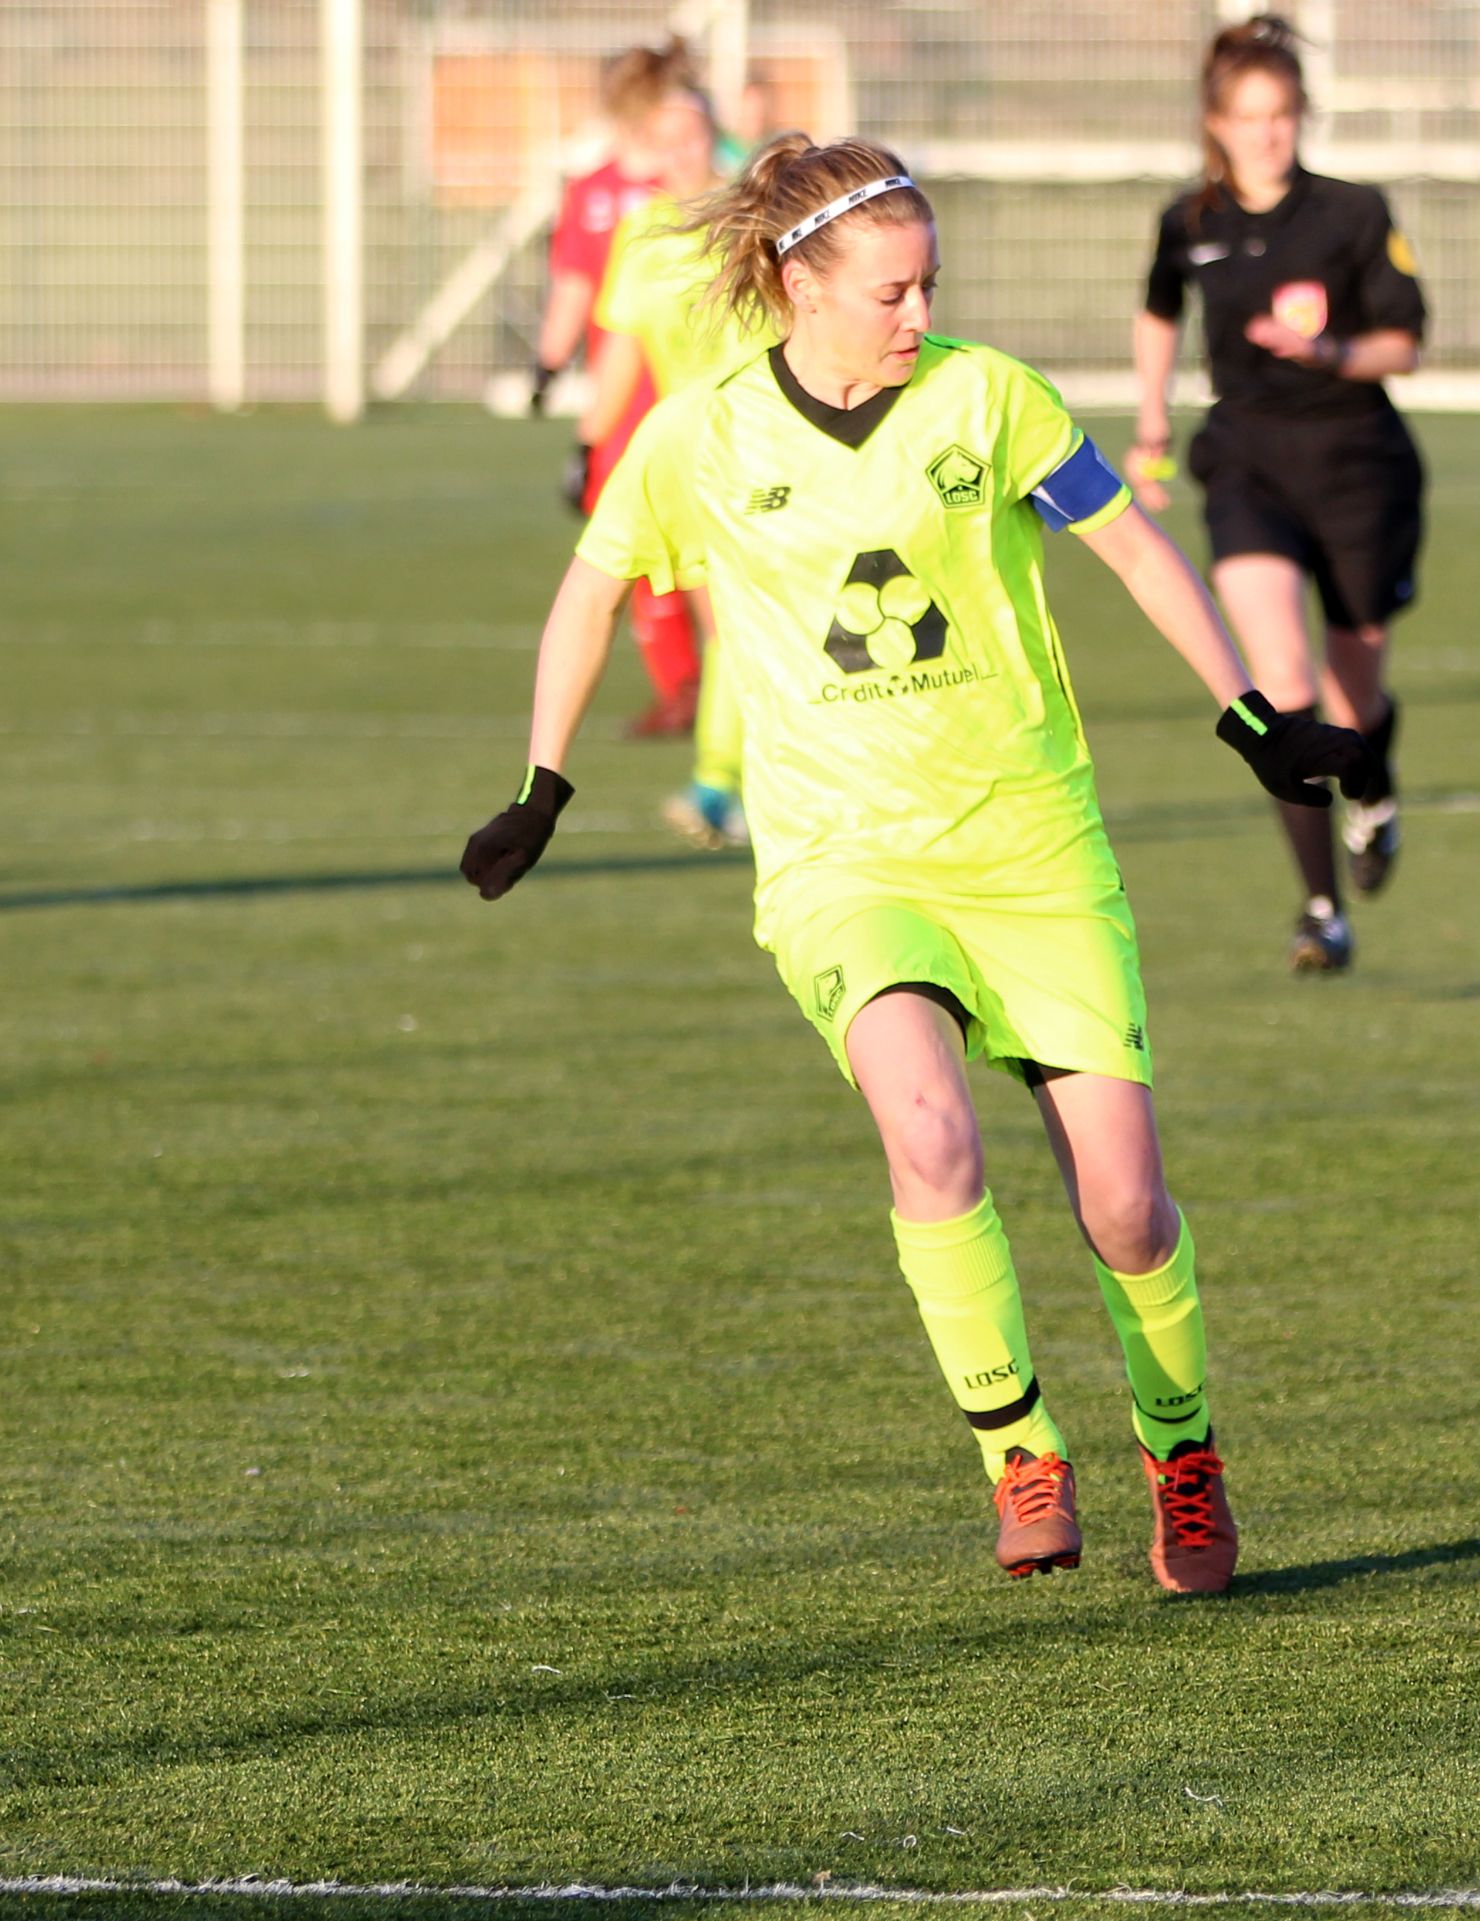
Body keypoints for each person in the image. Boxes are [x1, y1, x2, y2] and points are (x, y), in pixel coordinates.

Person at [459, 137, 1373, 1591]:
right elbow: (588, 591)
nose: (915, 311)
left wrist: (1250, 717)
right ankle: (1018, 1449)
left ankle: (1181, 1451)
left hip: (1033, 847)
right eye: (890, 288)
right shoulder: (698, 439)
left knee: (1126, 1204)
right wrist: (543, 782)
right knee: (930, 1134)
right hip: (842, 862)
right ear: (795, 283)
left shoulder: (986, 396)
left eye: (928, 283)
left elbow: (1134, 552)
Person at [1131, 14, 1425, 973]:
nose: (1266, 133)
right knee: (1284, 686)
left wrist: (1326, 352)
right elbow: (1157, 313)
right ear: (1215, 122)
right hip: (1247, 464)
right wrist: (1150, 426)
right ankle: (1318, 912)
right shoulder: (1190, 222)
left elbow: (1404, 346)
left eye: (1281, 114)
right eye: (1248, 116)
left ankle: (1372, 794)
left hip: (1356, 464)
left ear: (1301, 118)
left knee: (1356, 686)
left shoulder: (1352, 212)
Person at [580, 94, 763, 849]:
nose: (685, 151)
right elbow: (625, 345)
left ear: (715, 135)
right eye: (668, 139)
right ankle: (725, 785)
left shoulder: (758, 216)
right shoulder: (644, 231)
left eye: (694, 133)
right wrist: (589, 445)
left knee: (744, 624)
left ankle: (722, 785)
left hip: (773, 441)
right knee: (731, 625)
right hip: (693, 453)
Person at [536, 38, 710, 742]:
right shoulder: (737, 202)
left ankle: (692, 699)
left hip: (645, 406)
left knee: (636, 552)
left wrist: (551, 373)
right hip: (677, 404)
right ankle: (702, 712)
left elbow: (578, 291)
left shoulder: (644, 215)